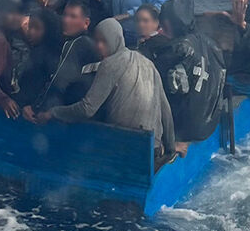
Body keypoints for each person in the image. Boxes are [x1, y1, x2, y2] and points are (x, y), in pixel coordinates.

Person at [34, 19, 176, 157]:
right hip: (152, 147)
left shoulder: (109, 64)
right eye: (97, 41)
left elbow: (87, 109)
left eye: (104, 41)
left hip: (124, 145)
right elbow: (166, 110)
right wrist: (170, 148)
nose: (99, 46)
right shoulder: (149, 64)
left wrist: (52, 113)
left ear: (115, 40)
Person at [154, 0, 226, 144]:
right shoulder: (212, 45)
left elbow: (158, 86)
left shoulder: (177, 49)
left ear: (169, 23)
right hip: (210, 123)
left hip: (185, 130)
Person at [24, 1, 100, 119]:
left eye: (73, 16)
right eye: (65, 15)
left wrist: (36, 108)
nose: (66, 20)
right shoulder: (88, 44)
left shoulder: (77, 44)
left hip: (65, 114)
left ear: (86, 23)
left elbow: (58, 82)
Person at [14, 8, 63, 118]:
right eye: (30, 27)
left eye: (37, 28)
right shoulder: (53, 52)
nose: (31, 32)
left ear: (48, 30)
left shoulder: (42, 56)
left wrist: (28, 105)